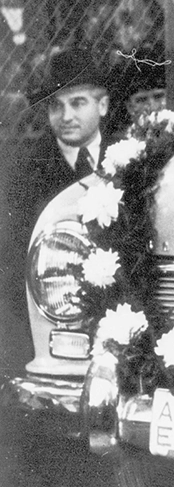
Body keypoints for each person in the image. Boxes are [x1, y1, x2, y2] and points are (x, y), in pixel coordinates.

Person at [1, 49, 113, 371]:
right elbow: (12, 262)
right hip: (49, 324)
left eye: (78, 103)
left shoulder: (126, 160)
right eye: (56, 105)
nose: (66, 117)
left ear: (102, 105)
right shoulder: (24, 168)